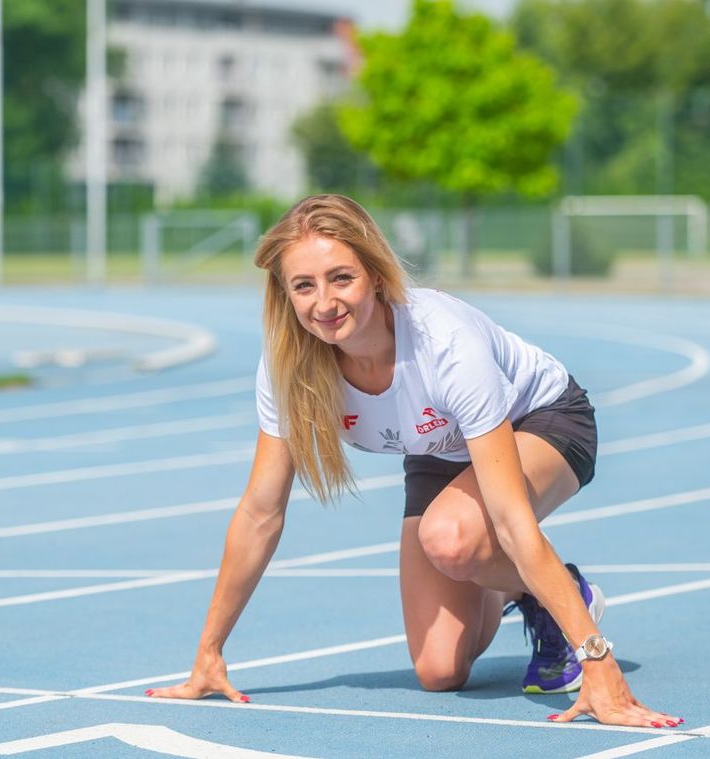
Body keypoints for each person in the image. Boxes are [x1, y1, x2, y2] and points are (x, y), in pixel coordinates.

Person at [148, 195, 680, 728]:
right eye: (304, 286)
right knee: (439, 670)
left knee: (451, 537)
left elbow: (513, 521)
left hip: (540, 419)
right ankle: (544, 590)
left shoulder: (443, 342)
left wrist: (597, 660)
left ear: (375, 277)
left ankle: (568, 608)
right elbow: (261, 512)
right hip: (439, 450)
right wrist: (209, 653)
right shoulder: (290, 367)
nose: (325, 302)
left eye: (341, 278)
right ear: (285, 294)